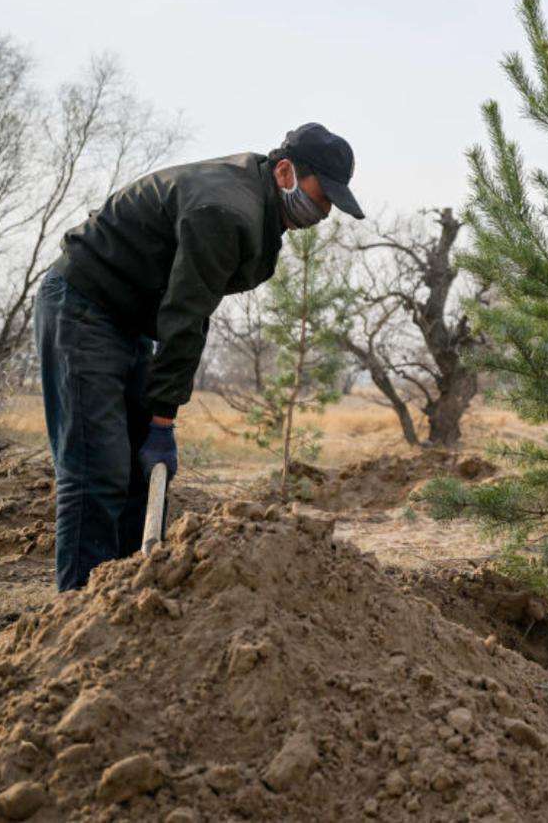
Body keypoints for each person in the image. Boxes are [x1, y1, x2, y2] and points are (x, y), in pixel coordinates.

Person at [34, 123, 364, 591]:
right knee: (97, 469)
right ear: (286, 171)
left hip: (127, 319)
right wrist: (163, 419)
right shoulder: (226, 209)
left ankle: (125, 604)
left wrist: (160, 411)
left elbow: (196, 303)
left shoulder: (253, 200)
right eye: (322, 194)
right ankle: (75, 618)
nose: (325, 210)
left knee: (136, 476)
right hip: (84, 305)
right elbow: (185, 316)